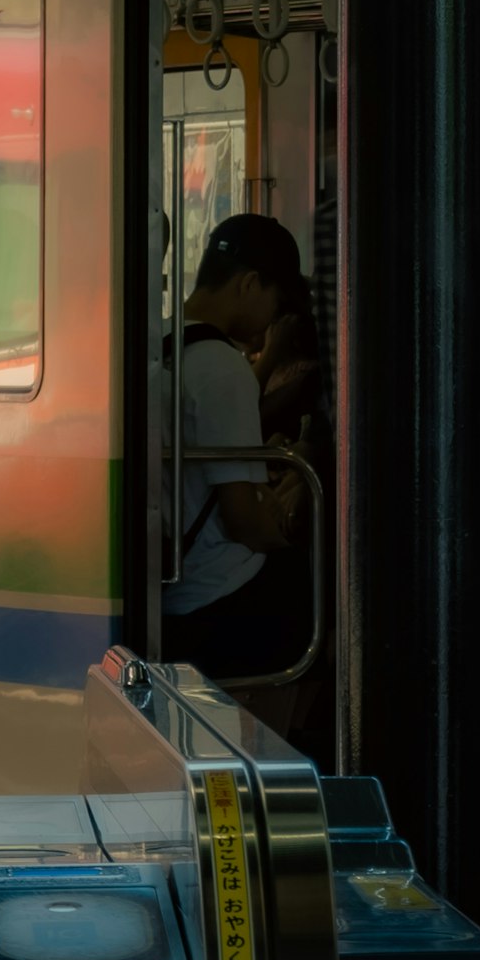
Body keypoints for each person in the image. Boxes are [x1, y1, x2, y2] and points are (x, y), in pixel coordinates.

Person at [160, 214, 313, 677]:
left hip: (172, 591)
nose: (272, 320)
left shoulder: (164, 341)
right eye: (275, 301)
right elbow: (243, 519)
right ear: (249, 285)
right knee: (321, 590)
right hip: (217, 597)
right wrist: (292, 543)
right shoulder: (222, 368)